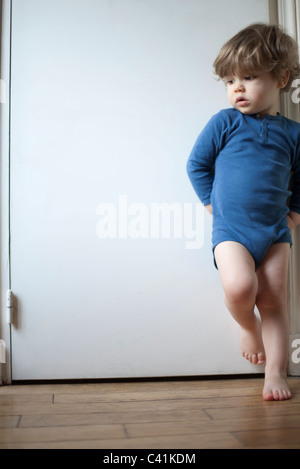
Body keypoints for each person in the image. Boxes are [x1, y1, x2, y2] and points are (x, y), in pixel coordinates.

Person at [187, 23, 300, 400]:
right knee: (239, 287)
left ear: (282, 78)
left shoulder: (293, 133)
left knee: (273, 298)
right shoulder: (225, 122)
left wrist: (295, 212)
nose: (236, 87)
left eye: (248, 77)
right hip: (232, 230)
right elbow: (196, 165)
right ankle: (247, 327)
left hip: (274, 233)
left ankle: (275, 372)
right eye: (229, 80)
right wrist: (209, 203)